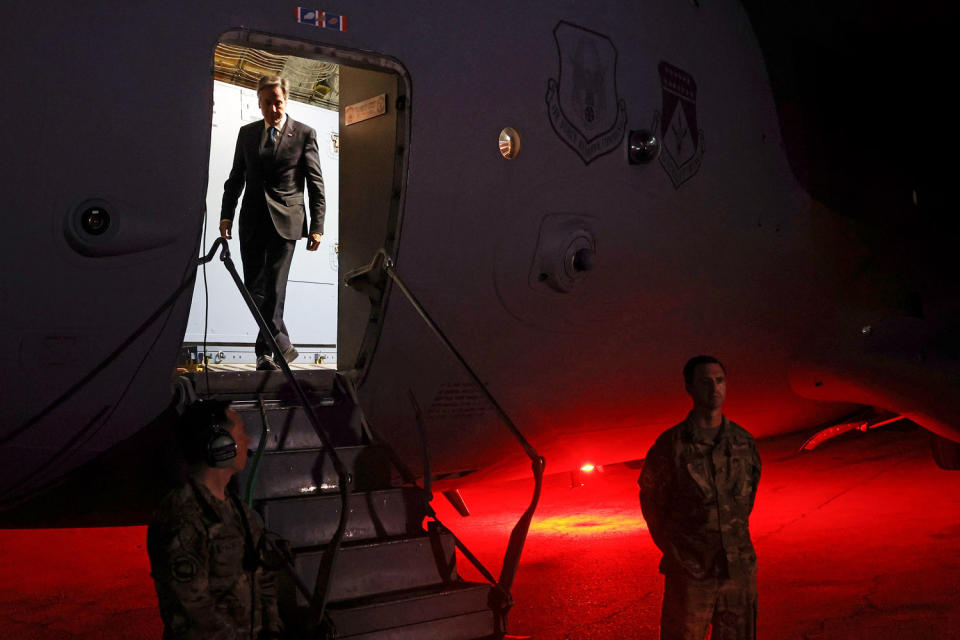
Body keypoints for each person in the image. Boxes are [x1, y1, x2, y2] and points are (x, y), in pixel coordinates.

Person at [638, 356, 761, 640]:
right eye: (705, 382)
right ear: (689, 388)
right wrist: (678, 553)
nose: (714, 388)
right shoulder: (671, 445)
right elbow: (653, 505)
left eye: (720, 381)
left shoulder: (743, 442)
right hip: (691, 575)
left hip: (738, 570)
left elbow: (748, 496)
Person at [147, 400, 282, 639]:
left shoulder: (239, 511)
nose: (248, 441)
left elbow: (262, 578)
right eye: (240, 434)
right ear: (220, 446)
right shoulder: (182, 518)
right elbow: (192, 611)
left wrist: (272, 629)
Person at [220, 74, 326, 371]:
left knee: (275, 289)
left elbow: (316, 184)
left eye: (278, 102)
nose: (273, 109)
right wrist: (226, 214)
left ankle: (265, 353)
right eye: (267, 103)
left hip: (287, 221)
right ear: (260, 103)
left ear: (286, 100)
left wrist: (317, 226)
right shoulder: (247, 133)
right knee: (254, 288)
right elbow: (235, 178)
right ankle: (283, 345)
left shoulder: (304, 133)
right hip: (251, 220)